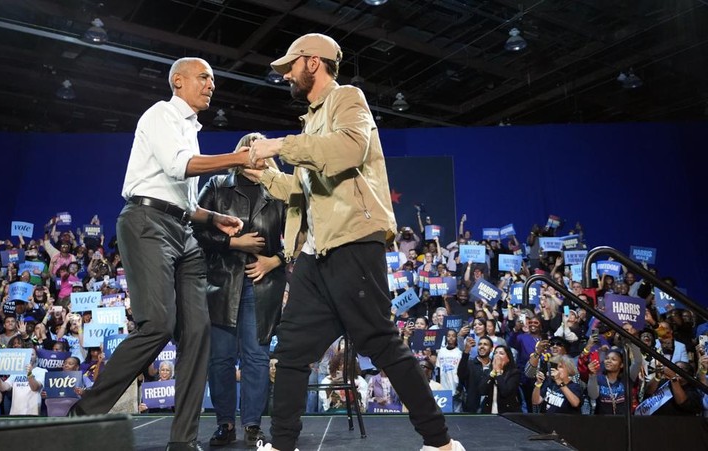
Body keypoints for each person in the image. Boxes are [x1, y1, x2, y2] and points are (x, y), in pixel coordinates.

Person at [247, 33, 463, 451]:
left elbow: (347, 150)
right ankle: (281, 444)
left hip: (352, 242)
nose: (287, 74)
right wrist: (268, 176)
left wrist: (279, 146)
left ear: (313, 62)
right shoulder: (311, 121)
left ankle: (440, 444)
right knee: (291, 351)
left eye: (291, 65)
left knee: (380, 341)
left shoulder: (348, 98)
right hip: (317, 252)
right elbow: (306, 190)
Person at [67, 56, 250, 451]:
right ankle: (82, 416)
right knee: (158, 324)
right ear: (178, 82)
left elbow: (180, 197)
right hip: (146, 223)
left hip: (183, 229)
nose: (211, 85)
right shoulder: (160, 115)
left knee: (198, 333)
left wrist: (211, 216)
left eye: (213, 79)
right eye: (204, 77)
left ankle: (182, 441)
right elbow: (180, 166)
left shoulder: (189, 128)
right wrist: (239, 158)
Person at [194, 132, 287, 447]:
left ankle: (252, 426)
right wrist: (233, 242)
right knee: (219, 358)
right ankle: (224, 424)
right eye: (249, 147)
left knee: (256, 357)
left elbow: (302, 235)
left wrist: (275, 261)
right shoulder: (217, 186)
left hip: (263, 284)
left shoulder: (281, 189)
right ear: (240, 153)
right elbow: (194, 231)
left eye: (260, 148)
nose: (255, 152)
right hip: (221, 283)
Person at [479, 345, 522, 413]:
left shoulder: (514, 373)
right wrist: (492, 373)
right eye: (495, 353)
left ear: (508, 358)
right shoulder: (488, 372)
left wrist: (498, 372)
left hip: (507, 412)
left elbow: (505, 392)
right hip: (488, 411)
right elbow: (482, 391)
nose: (497, 356)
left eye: (501, 353)